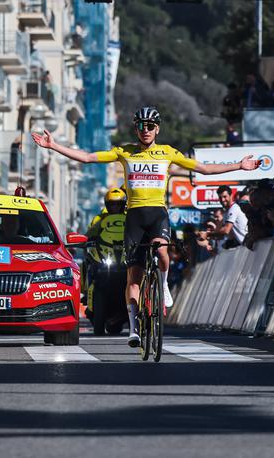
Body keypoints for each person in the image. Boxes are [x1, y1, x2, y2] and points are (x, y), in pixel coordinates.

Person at [32, 106, 261, 347]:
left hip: (158, 214)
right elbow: (88, 158)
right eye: (140, 126)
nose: (145, 130)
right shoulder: (125, 152)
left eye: (150, 126)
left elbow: (203, 169)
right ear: (136, 128)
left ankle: (162, 285)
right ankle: (133, 330)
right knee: (133, 278)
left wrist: (238, 166)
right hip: (134, 217)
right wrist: (53, 146)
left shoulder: (167, 153)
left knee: (162, 250)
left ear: (157, 129)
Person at [207, 185, 248, 249]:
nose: (222, 200)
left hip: (252, 245)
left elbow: (226, 230)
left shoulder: (234, 208)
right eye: (220, 198)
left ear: (231, 196)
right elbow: (225, 235)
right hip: (245, 246)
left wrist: (208, 234)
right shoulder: (226, 212)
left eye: (225, 197)